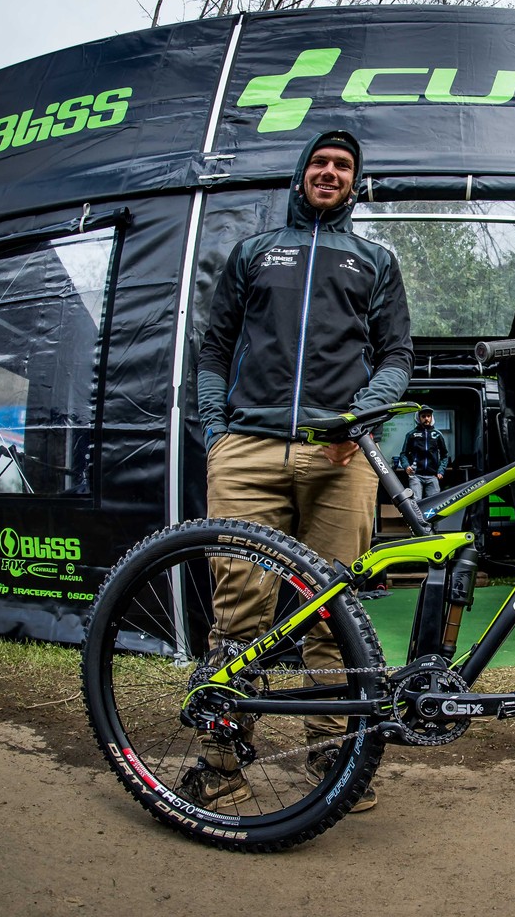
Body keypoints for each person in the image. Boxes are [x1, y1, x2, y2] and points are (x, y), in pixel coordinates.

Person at [194, 129, 413, 812]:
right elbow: (213, 347)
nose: (330, 171)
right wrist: (215, 435)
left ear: (355, 181)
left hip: (339, 456)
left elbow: (397, 355)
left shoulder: (374, 259)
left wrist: (360, 418)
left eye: (343, 165)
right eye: (320, 162)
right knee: (240, 612)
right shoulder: (254, 252)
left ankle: (332, 756)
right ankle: (220, 762)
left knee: (335, 614)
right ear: (301, 174)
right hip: (249, 450)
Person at [399, 406, 449, 501]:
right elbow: (403, 454)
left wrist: (441, 470)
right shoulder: (411, 435)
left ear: (431, 417)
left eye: (428, 416)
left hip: (432, 476)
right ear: (418, 417)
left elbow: (444, 455)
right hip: (415, 475)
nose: (426, 418)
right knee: (416, 503)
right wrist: (406, 466)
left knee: (434, 503)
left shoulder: (437, 435)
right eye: (423, 416)